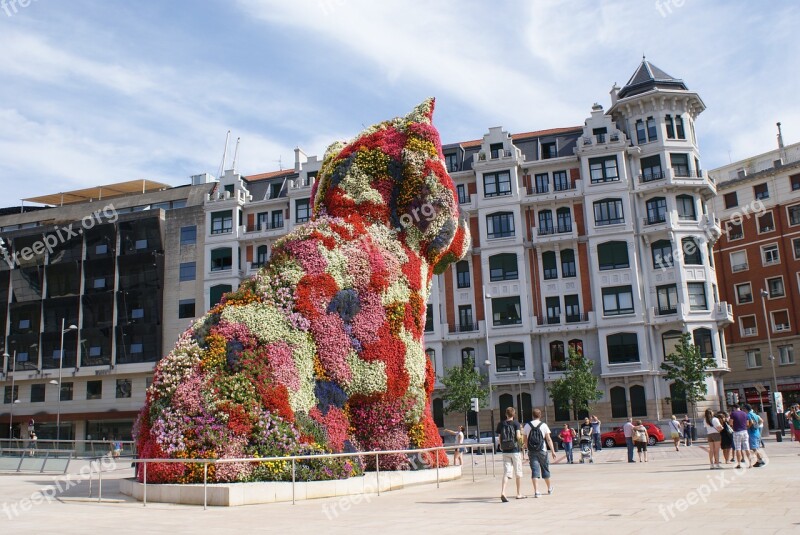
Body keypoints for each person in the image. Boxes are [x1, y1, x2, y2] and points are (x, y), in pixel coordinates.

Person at [523, 408, 556, 497]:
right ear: (540, 415)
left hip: (532, 451)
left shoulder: (527, 425)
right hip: (542, 450)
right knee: (545, 468)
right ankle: (549, 488)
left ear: (532, 415)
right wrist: (553, 451)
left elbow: (525, 440)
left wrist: (526, 449)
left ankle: (537, 491)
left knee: (535, 470)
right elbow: (548, 439)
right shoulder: (543, 425)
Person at [496, 407, 524, 502]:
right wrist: (522, 446)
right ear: (514, 414)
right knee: (518, 472)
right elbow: (518, 436)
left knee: (506, 472)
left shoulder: (501, 424)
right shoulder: (516, 423)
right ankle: (519, 493)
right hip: (515, 450)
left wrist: (501, 446)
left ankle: (503, 492)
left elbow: (499, 437)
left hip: (505, 451)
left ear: (506, 414)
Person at [729, 404, 751, 469]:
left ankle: (739, 464)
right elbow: (747, 423)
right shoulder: (745, 414)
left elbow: (730, 423)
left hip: (737, 432)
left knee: (738, 448)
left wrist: (733, 427)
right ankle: (750, 463)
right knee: (747, 447)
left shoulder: (733, 414)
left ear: (734, 408)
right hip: (745, 431)